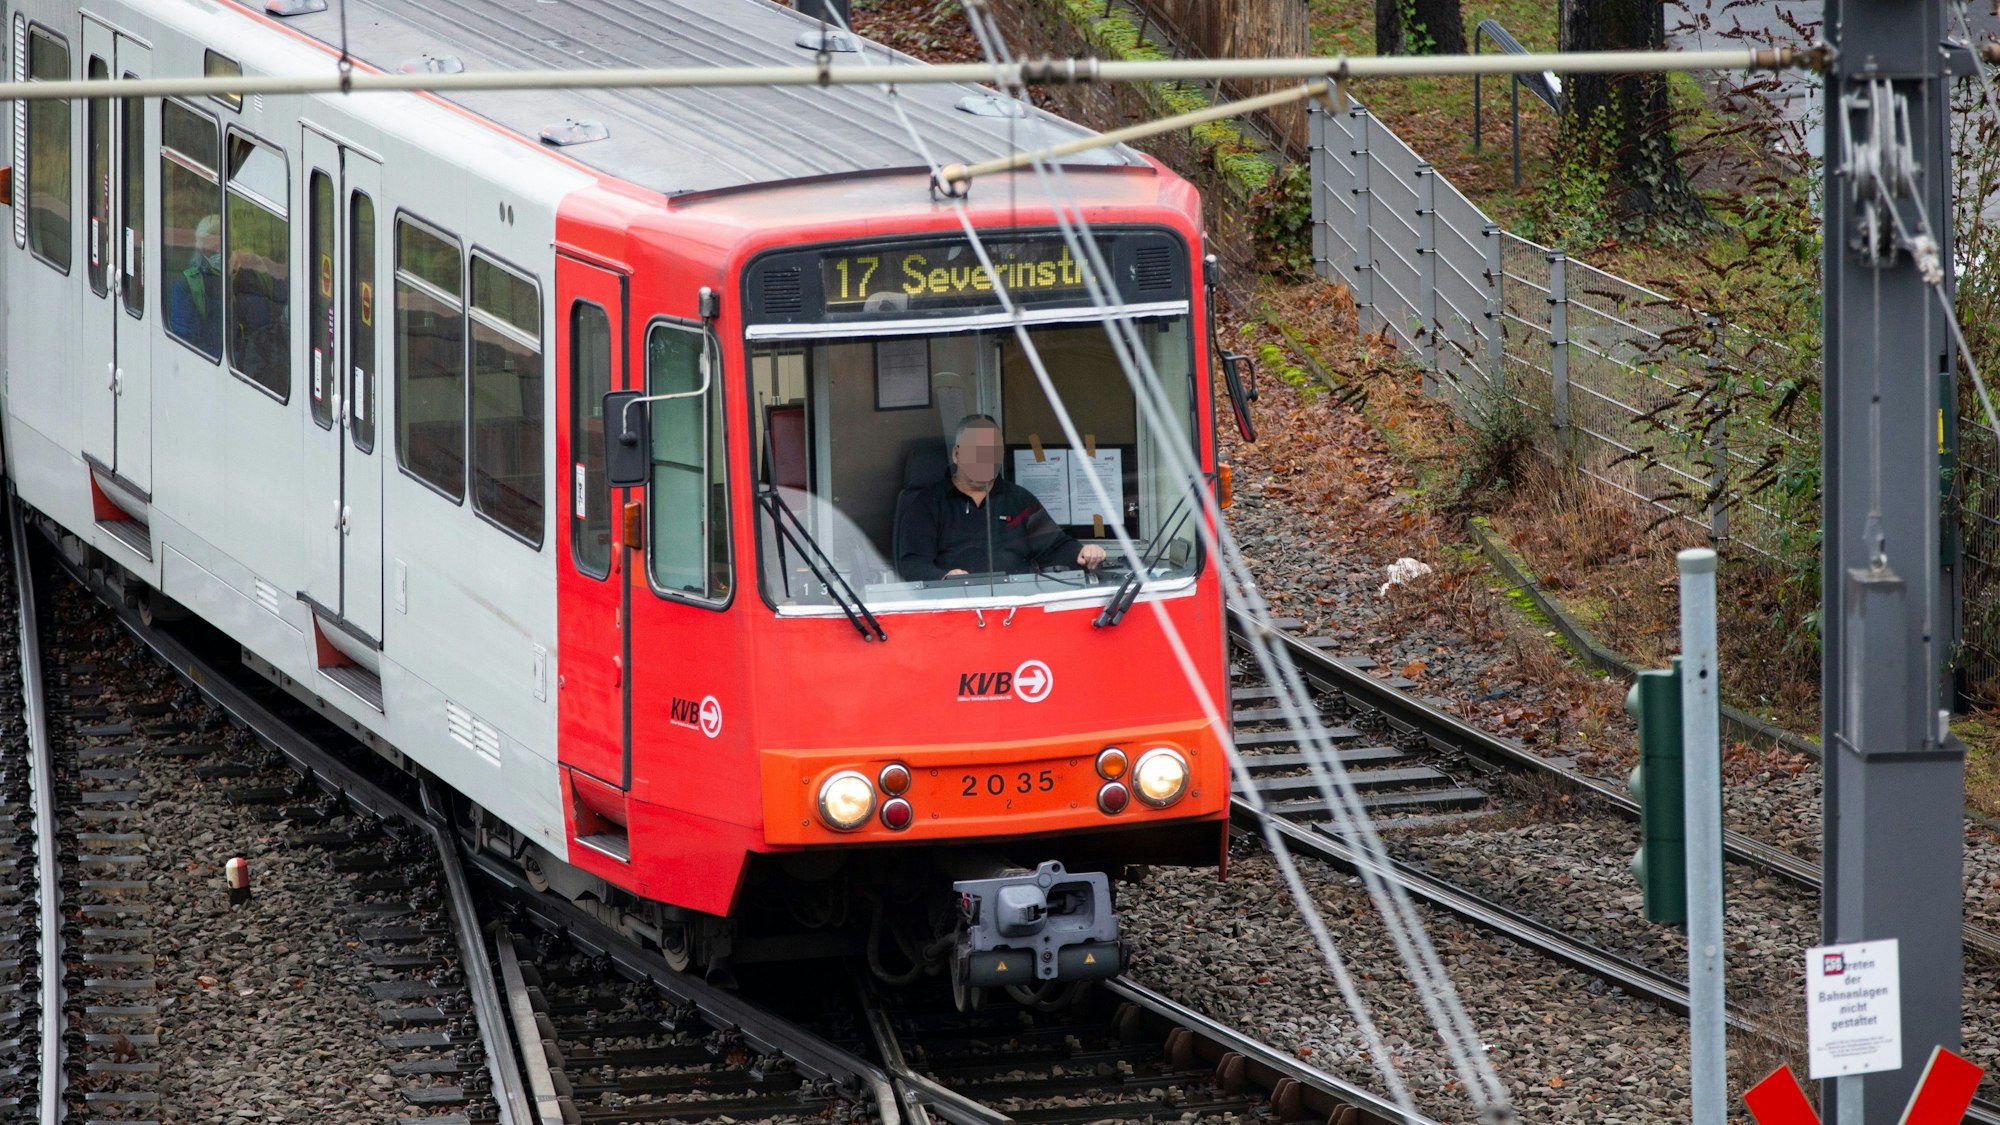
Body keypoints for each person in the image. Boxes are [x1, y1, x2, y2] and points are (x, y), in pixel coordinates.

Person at [898, 414, 1107, 581]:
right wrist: (943, 577)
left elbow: (1054, 546)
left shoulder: (1019, 500)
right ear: (957, 454)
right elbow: (913, 564)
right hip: (953, 609)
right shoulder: (928, 504)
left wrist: (1083, 553)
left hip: (1015, 607)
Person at [168, 214, 223, 357]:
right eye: (212, 249)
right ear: (201, 250)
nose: (219, 253)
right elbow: (186, 344)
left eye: (222, 247)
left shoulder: (246, 279)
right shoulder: (187, 287)